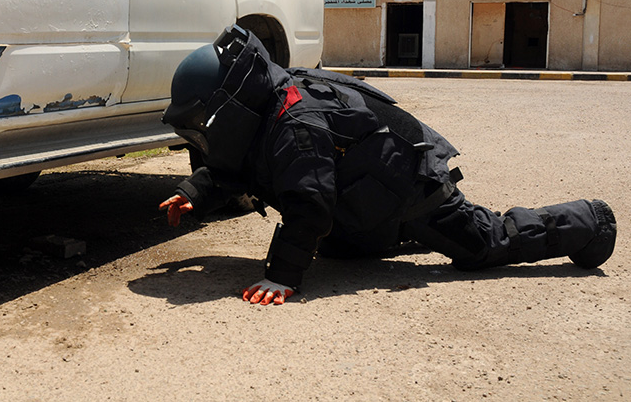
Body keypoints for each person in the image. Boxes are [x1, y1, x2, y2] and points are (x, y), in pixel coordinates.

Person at [159, 26, 617, 306]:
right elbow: (243, 167)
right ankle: (401, 235)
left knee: (484, 246)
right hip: (366, 191)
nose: (203, 133)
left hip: (414, 191)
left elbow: (309, 206)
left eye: (205, 123)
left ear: (234, 105)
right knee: (339, 251)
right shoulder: (266, 109)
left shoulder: (295, 123)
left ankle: (590, 222)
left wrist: (281, 277)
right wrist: (194, 192)